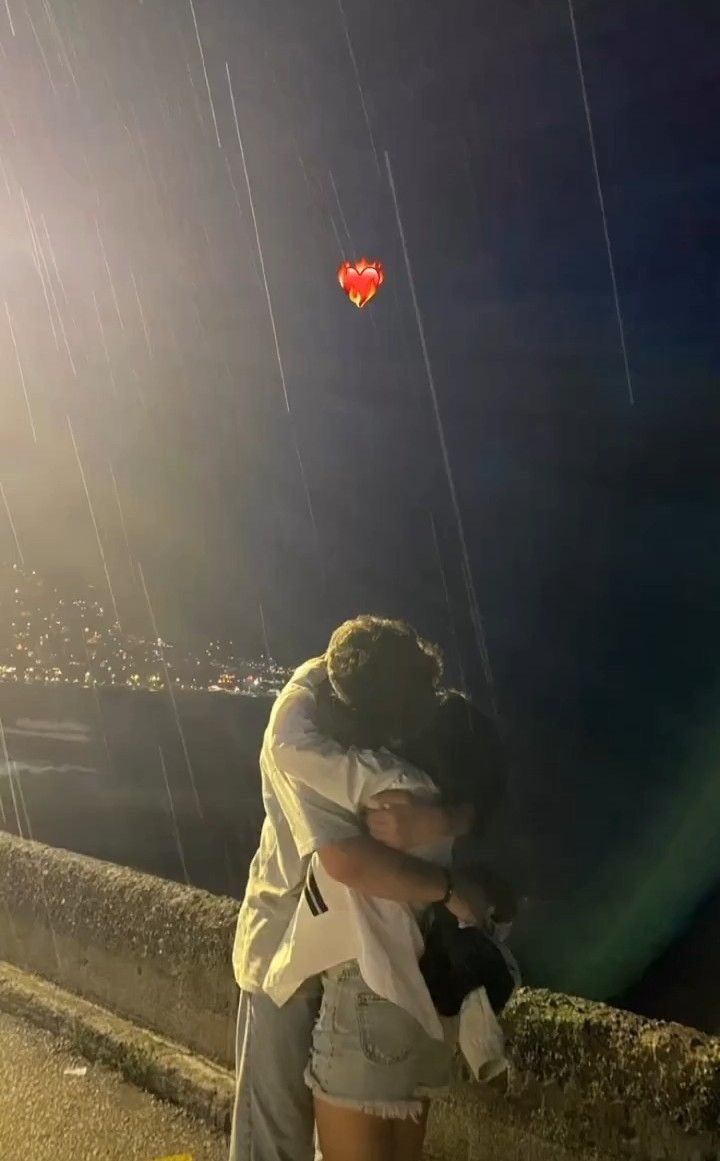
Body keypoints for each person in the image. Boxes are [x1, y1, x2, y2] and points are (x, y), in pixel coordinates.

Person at [229, 616, 512, 1161]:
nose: (398, 738)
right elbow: (345, 859)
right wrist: (450, 881)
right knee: (277, 1138)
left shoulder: (386, 729)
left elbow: (484, 779)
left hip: (350, 961)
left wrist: (446, 819)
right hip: (284, 949)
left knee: (289, 1139)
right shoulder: (305, 739)